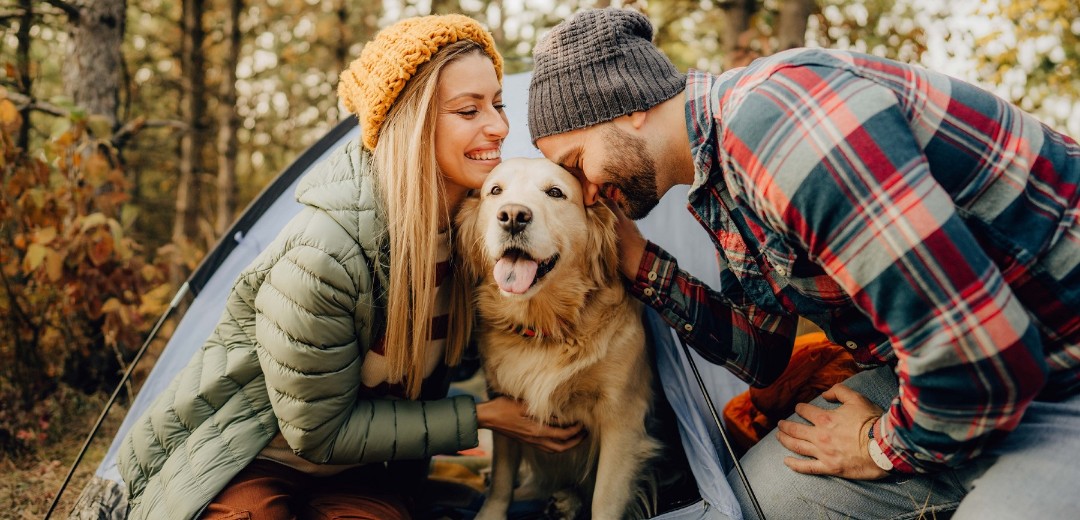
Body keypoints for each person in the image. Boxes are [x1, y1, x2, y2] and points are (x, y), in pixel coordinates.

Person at [527, 7, 1080, 519]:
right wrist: (643, 264)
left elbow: (978, 353)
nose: (586, 193)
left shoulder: (777, 121)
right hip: (949, 378)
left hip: (1053, 368)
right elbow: (762, 353)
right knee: (750, 505)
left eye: (575, 163)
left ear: (628, 106)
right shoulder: (718, 183)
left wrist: (878, 446)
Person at [117, 14, 586, 520]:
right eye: (469, 110)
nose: (498, 126)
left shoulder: (475, 235)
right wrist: (482, 418)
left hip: (370, 467)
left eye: (498, 104)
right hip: (250, 457)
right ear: (412, 122)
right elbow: (316, 433)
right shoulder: (323, 254)